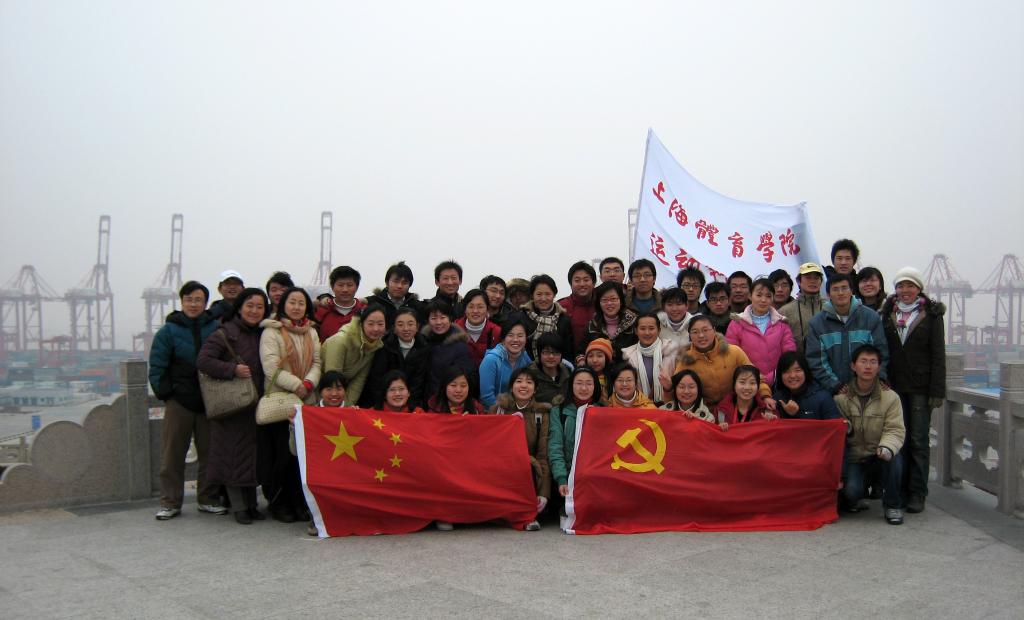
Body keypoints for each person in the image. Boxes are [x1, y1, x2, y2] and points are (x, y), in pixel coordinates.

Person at [149, 281, 223, 520]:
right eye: (189, 299)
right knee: (173, 454)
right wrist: (167, 394)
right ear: (181, 302)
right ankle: (170, 502)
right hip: (179, 401)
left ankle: (207, 499)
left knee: (210, 453)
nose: (193, 304)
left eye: (198, 300)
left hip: (209, 401)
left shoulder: (215, 328)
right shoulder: (168, 331)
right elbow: (157, 366)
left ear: (205, 303)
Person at [196, 287, 269, 525]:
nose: (254, 311)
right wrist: (232, 369)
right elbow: (203, 361)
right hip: (232, 405)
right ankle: (239, 507)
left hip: (255, 405)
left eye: (259, 307)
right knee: (232, 455)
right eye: (250, 306)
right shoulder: (225, 332)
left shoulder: (262, 333)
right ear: (239, 308)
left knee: (250, 456)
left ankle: (251, 505)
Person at [880, 267, 946, 514]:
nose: (905, 290)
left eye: (910, 285)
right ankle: (899, 489)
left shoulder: (931, 315)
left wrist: (937, 391)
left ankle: (918, 492)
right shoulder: (887, 313)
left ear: (919, 288)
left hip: (920, 387)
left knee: (918, 440)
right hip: (895, 386)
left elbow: (938, 355)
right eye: (900, 286)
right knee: (899, 439)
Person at [258, 286, 321, 523]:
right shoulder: (271, 331)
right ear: (283, 304)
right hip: (281, 401)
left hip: (307, 400)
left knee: (301, 457)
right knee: (282, 456)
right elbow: (271, 367)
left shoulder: (311, 331)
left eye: (301, 303)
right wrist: (296, 385)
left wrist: (308, 383)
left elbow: (317, 362)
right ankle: (279, 503)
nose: (296, 307)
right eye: (292, 302)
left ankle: (299, 502)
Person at [835, 345, 906, 525]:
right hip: (856, 458)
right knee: (851, 492)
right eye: (863, 361)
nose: (868, 366)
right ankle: (859, 494)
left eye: (873, 362)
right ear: (853, 366)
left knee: (895, 459)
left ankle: (893, 505)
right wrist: (846, 427)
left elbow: (895, 429)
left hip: (879, 454)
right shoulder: (841, 398)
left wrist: (887, 447)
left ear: (879, 367)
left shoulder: (891, 397)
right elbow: (838, 427)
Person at [806, 273, 888, 395]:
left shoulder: (870, 317)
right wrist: (834, 384)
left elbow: (881, 352)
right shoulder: (817, 323)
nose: (840, 293)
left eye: (844, 288)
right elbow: (816, 360)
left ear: (851, 291)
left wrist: (879, 377)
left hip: (868, 387)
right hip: (833, 391)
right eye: (835, 289)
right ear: (828, 294)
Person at [490, 368, 551, 532]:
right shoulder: (498, 410)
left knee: (528, 466)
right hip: (500, 467)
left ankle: (527, 515)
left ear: (535, 389)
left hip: (527, 468)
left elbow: (543, 455)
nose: (524, 386)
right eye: (519, 381)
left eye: (529, 382)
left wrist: (544, 493)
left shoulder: (541, 414)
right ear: (511, 387)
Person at [674, 315, 773, 408]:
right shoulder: (686, 361)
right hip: (704, 411)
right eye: (695, 332)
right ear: (690, 335)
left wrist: (765, 396)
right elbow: (677, 388)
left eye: (705, 330)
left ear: (714, 330)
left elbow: (755, 378)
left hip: (735, 406)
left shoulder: (734, 352)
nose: (701, 335)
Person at [549, 367, 604, 507]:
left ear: (595, 386)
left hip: (595, 475)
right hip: (568, 474)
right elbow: (555, 446)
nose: (584, 388)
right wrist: (561, 478)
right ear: (571, 385)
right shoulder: (559, 411)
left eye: (589, 383)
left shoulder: (603, 411)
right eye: (579, 383)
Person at [725, 278, 796, 386]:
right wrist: (752, 377)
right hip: (747, 384)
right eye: (759, 295)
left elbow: (789, 356)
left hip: (778, 382)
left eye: (768, 296)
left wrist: (772, 377)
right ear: (750, 296)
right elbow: (731, 357)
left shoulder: (782, 324)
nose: (763, 300)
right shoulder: (736, 323)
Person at [361, 307, 430, 409]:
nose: (406, 328)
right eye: (400, 325)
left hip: (411, 405)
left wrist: (412, 408)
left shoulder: (424, 347)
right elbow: (376, 381)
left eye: (410, 324)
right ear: (394, 329)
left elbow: (419, 382)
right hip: (384, 404)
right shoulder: (384, 347)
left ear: (417, 327)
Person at [321, 304, 387, 407]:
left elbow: (359, 381)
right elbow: (331, 380)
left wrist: (346, 407)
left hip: (340, 396)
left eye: (380, 324)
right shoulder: (340, 341)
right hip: (321, 393)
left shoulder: (374, 345)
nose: (376, 329)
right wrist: (337, 410)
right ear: (361, 323)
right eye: (370, 324)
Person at [421, 300, 477, 399]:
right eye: (433, 318)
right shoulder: (422, 342)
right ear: (428, 321)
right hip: (427, 401)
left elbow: (466, 378)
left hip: (450, 401)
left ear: (450, 319)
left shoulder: (460, 346)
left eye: (443, 317)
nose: (438, 322)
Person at [621, 312, 679, 405]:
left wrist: (669, 386)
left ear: (659, 330)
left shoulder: (672, 351)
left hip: (668, 405)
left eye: (651, 328)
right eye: (642, 329)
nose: (647, 333)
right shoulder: (627, 355)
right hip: (639, 406)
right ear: (636, 331)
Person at [478, 317, 533, 409]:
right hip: (494, 411)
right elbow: (486, 396)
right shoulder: (491, 360)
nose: (515, 340)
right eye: (510, 335)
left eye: (520, 336)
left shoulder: (524, 356)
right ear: (503, 339)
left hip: (518, 410)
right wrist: (506, 413)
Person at [519, 274, 574, 361]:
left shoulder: (563, 320)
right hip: (526, 366)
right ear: (532, 295)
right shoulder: (521, 318)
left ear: (554, 295)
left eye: (548, 294)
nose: (543, 298)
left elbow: (568, 352)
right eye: (539, 294)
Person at [772, 351, 842, 420]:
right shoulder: (777, 398)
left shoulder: (823, 397)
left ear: (805, 371)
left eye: (798, 370)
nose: (792, 376)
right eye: (787, 371)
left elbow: (835, 425)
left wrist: (796, 414)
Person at [578, 281, 638, 361]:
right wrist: (581, 361)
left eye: (613, 299)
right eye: (604, 300)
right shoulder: (592, 326)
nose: (609, 303)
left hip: (628, 367)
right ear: (599, 303)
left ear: (621, 301)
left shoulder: (634, 323)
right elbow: (580, 352)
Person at [779, 262, 826, 356]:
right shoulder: (785, 311)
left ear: (821, 281)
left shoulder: (830, 307)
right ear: (798, 281)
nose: (812, 281)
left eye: (816, 278)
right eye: (808, 277)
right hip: (797, 362)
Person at [364, 261, 423, 330]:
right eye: (396, 281)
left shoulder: (416, 306)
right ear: (387, 283)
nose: (399, 286)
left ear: (409, 285)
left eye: (404, 283)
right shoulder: (372, 303)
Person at [314, 265, 366, 342]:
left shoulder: (365, 311)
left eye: (350, 285)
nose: (345, 289)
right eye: (340, 285)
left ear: (357, 287)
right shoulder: (321, 311)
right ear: (332, 287)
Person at [455, 288, 503, 368]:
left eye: (480, 307)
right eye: (471, 307)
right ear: (465, 309)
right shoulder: (454, 330)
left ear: (487, 309)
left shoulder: (496, 332)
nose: (475, 311)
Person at [558, 261, 597, 353]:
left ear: (594, 283)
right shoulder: (560, 307)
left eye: (586, 280)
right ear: (570, 284)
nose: (582, 284)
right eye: (577, 280)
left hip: (599, 357)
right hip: (568, 359)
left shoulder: (603, 304)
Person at [530, 332, 571, 405]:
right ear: (539, 354)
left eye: (555, 352)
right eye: (546, 352)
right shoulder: (530, 375)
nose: (551, 356)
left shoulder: (569, 373)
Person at [658, 287, 693, 352]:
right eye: (670, 304)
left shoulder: (695, 324)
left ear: (687, 305)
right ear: (663, 307)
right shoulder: (657, 324)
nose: (674, 309)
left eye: (679, 304)